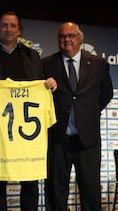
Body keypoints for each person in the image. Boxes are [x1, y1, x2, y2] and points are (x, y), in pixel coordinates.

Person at [0, 11, 57, 211]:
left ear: (19, 30)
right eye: (4, 25)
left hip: (28, 137)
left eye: (13, 26)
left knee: (30, 184)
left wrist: (49, 84)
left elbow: (41, 85)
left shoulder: (33, 56)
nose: (8, 29)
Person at [42, 22, 113, 211]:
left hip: (88, 141)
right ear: (58, 40)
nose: (67, 40)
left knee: (90, 194)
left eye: (71, 35)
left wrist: (89, 113)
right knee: (56, 194)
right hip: (58, 140)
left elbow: (106, 94)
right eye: (63, 36)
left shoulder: (98, 63)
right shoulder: (46, 64)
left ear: (80, 38)